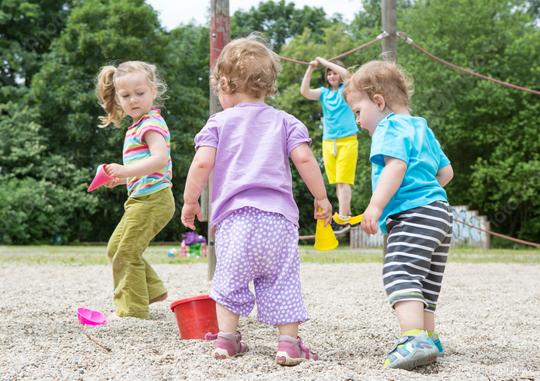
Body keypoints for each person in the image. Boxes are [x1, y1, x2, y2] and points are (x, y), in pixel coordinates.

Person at [181, 37, 332, 366]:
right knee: (282, 280)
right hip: (278, 222)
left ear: (224, 83)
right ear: (268, 85)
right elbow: (305, 159)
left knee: (229, 280)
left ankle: (226, 340)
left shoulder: (218, 122)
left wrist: (190, 201)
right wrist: (321, 198)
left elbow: (203, 163)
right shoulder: (285, 121)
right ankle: (288, 343)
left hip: (236, 221)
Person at [344, 60, 454, 370]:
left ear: (378, 101)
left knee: (400, 273)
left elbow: (395, 166)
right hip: (439, 214)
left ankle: (413, 339)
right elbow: (446, 172)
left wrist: (376, 207)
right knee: (427, 283)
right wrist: (426, 190)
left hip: (412, 215)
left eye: (357, 112)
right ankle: (429, 338)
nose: (357, 122)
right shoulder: (421, 126)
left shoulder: (388, 126)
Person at [96, 61, 174, 319]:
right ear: (118, 98)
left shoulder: (151, 123)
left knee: (126, 252)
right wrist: (121, 179)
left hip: (154, 199)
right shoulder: (136, 125)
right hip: (140, 198)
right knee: (115, 248)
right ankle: (151, 290)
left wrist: (125, 170)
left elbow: (160, 159)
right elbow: (143, 167)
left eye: (140, 93)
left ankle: (133, 313)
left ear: (153, 91)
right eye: (126, 95)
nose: (133, 100)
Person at [300, 56, 359, 224]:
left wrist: (324, 62)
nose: (332, 76)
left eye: (334, 73)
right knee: (336, 182)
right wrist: (311, 68)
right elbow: (304, 92)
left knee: (344, 180)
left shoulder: (346, 90)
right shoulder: (324, 93)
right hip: (329, 142)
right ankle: (342, 214)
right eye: (329, 74)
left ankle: (344, 215)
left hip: (347, 140)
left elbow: (348, 75)